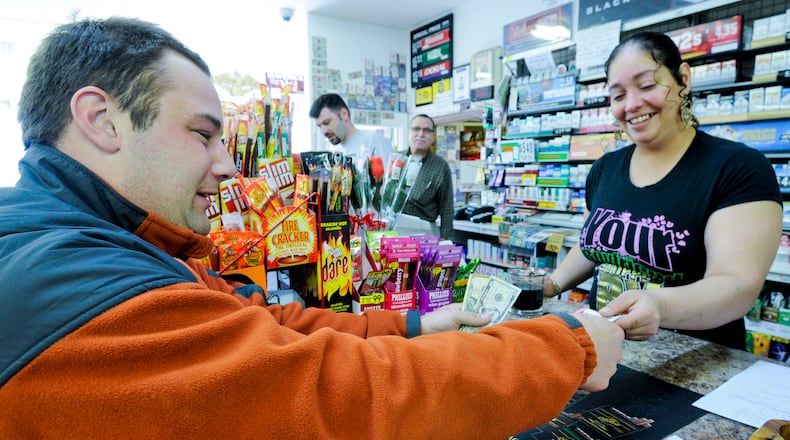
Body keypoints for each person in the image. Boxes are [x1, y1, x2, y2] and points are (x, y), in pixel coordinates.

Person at [0, 17, 625, 439]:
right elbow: (341, 397)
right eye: (202, 135)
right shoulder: (73, 283)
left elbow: (260, 323)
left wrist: (411, 322)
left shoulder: (97, 240)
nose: (225, 165)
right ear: (101, 120)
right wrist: (568, 346)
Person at [543, 31, 783, 350]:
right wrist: (550, 284)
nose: (632, 105)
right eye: (617, 95)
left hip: (694, 364)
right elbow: (591, 246)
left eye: (647, 86)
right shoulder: (605, 168)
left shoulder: (738, 168)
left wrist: (659, 305)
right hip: (605, 350)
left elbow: (736, 287)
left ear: (683, 79)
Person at [399, 113, 455, 240]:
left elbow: (447, 208)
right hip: (392, 232)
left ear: (433, 136)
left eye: (427, 130)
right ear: (409, 132)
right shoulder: (396, 159)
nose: (421, 134)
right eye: (416, 129)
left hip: (423, 234)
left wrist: (444, 241)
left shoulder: (440, 166)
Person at [309, 92, 393, 162]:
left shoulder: (373, 140)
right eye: (319, 126)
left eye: (327, 122)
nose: (323, 131)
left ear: (344, 114)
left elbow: (389, 180)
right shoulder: (335, 153)